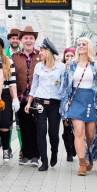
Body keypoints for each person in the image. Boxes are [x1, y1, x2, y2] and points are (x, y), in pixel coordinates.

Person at [60, 37, 97, 176]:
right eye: (79, 44)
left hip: (91, 100)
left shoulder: (96, 64)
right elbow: (65, 86)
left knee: (90, 134)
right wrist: (64, 106)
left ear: (89, 46)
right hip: (75, 100)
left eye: (83, 44)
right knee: (79, 132)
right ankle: (82, 164)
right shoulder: (71, 65)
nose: (80, 46)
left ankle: (89, 154)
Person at [24, 38, 65, 171]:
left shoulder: (61, 67)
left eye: (41, 51)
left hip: (55, 104)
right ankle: (44, 161)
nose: (39, 53)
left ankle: (54, 152)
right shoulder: (38, 66)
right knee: (41, 132)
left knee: (53, 133)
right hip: (40, 104)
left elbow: (64, 88)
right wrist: (29, 102)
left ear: (48, 52)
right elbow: (34, 86)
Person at [0, 36, 20, 167]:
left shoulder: (8, 61)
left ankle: (6, 149)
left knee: (4, 125)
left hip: (5, 94)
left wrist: (15, 98)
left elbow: (12, 82)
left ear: (0, 46)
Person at [12, 26, 43, 167]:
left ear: (34, 40)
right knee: (23, 127)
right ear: (21, 40)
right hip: (21, 98)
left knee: (36, 127)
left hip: (37, 98)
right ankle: (26, 154)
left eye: (31, 38)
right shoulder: (15, 57)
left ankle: (36, 156)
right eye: (26, 38)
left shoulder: (40, 56)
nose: (28, 40)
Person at [4, 28, 23, 160]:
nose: (15, 40)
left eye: (17, 38)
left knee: (21, 124)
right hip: (5, 94)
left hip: (20, 93)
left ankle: (23, 149)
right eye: (12, 38)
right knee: (7, 123)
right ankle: (8, 148)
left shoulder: (24, 53)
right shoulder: (2, 53)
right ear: (9, 39)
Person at [60, 48, 76, 162]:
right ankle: (69, 152)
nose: (69, 58)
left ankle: (75, 147)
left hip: (77, 101)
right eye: (67, 56)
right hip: (65, 102)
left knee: (77, 127)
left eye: (72, 56)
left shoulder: (79, 68)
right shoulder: (61, 68)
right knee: (66, 126)